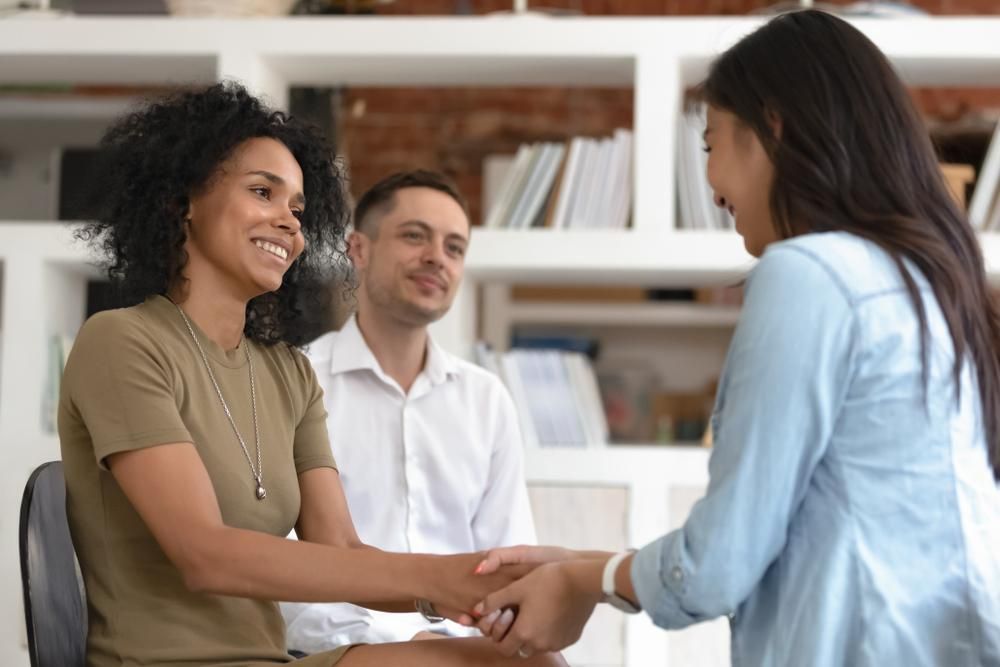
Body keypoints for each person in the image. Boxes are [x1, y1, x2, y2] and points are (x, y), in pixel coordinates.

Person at [465, 10, 1000, 666]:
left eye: (710, 143)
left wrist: (587, 581)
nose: (712, 187)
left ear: (772, 125)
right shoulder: (925, 281)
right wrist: (589, 566)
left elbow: (717, 564)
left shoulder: (810, 274)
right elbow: (802, 528)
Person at [59, 81, 566, 667]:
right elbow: (205, 555)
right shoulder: (123, 341)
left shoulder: (289, 374)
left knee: (531, 661)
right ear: (182, 202)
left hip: (277, 661)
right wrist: (440, 577)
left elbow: (342, 548)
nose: (289, 223)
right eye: (262, 193)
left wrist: (463, 597)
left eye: (298, 209)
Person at [281, 170, 536, 651]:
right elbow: (284, 572)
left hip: (468, 653)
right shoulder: (298, 381)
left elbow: (507, 564)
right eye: (415, 236)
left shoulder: (486, 399)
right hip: (339, 652)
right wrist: (408, 646)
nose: (436, 257)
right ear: (358, 249)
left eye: (454, 248)